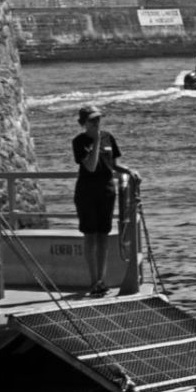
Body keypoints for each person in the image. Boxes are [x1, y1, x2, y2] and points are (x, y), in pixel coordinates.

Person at [70, 106, 130, 296]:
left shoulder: (108, 137)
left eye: (98, 120)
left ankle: (102, 280)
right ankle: (93, 279)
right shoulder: (79, 141)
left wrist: (129, 172)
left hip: (106, 190)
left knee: (103, 235)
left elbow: (113, 164)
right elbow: (90, 165)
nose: (96, 124)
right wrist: (95, 141)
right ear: (83, 123)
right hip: (87, 191)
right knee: (90, 235)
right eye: (92, 121)